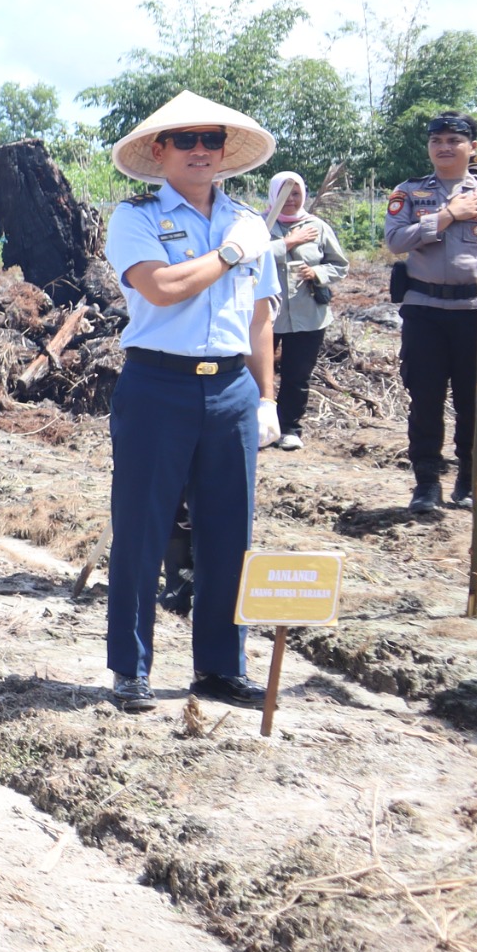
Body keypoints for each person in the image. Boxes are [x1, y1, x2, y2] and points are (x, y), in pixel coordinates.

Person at [102, 90, 281, 713]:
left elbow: (260, 316)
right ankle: (131, 667)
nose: (201, 150)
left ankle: (220, 668)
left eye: (211, 140)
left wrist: (266, 398)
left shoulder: (248, 220)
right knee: (142, 529)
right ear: (161, 150)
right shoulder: (137, 217)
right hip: (158, 384)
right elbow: (163, 286)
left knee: (230, 531)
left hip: (230, 387)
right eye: (186, 140)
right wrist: (230, 252)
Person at [383, 111, 477, 513]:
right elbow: (396, 241)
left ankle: (468, 480)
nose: (444, 147)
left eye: (453, 141)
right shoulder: (409, 192)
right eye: (436, 140)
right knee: (424, 397)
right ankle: (426, 483)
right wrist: (448, 215)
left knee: (475, 399)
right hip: (424, 310)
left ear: (471, 148)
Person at [263, 170, 349, 452]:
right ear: (273, 195)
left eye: (296, 193)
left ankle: (289, 428)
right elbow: (248, 255)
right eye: (284, 194)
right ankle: (260, 428)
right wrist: (287, 244)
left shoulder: (318, 226)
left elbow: (340, 265)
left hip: (308, 314)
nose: (290, 200)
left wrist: (318, 272)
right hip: (264, 315)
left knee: (297, 374)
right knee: (257, 374)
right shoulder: (260, 225)